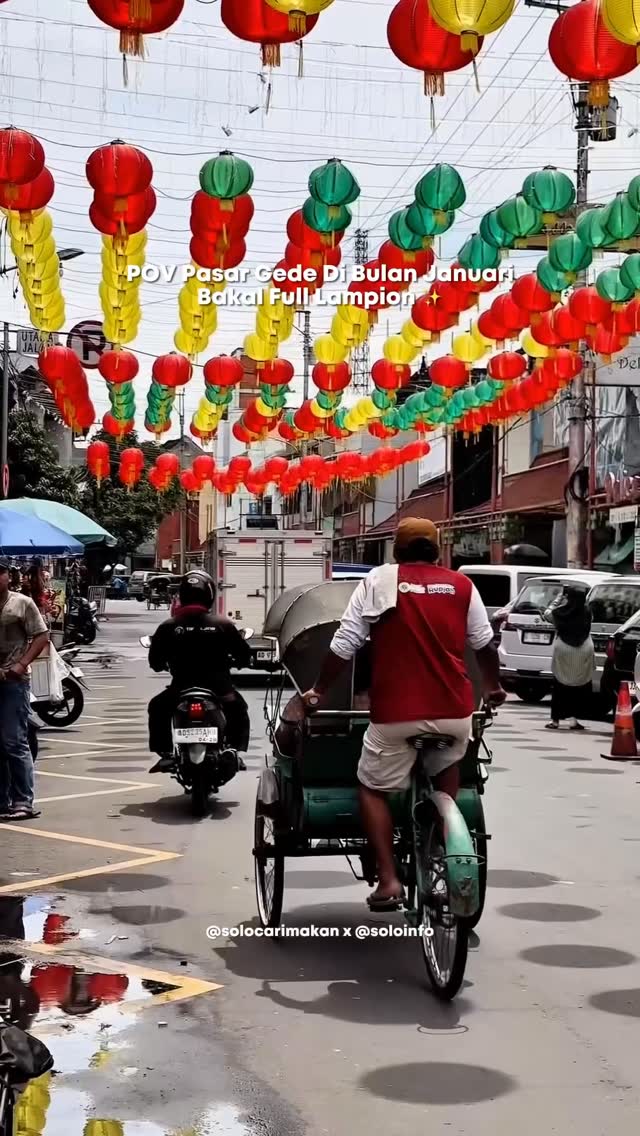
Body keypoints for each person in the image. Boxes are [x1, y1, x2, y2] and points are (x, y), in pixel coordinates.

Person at [301, 519, 505, 910]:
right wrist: (493, 688)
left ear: (396, 551)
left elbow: (345, 643)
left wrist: (319, 690)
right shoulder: (462, 585)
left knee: (372, 789)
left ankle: (389, 879)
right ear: (438, 550)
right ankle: (442, 845)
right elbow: (484, 645)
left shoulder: (380, 580)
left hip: (397, 713)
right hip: (454, 710)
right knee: (448, 763)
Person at [147, 569, 252, 773]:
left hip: (180, 689)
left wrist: (163, 664)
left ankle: (166, 754)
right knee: (238, 709)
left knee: (157, 707)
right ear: (209, 594)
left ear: (182, 595)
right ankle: (232, 749)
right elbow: (243, 655)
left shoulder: (168, 626)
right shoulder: (223, 625)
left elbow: (155, 662)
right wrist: (241, 662)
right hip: (220, 690)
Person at [0, 558, 50, 820]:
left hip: (13, 682)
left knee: (14, 741)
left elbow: (42, 636)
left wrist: (21, 665)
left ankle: (23, 801)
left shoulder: (21, 603)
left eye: (0, 573)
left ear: (8, 576)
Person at [545, 584, 594, 731]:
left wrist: (559, 598)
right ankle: (573, 720)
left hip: (563, 650)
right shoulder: (587, 612)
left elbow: (547, 614)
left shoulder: (559, 613)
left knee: (560, 686)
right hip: (583, 650)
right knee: (577, 688)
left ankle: (555, 721)